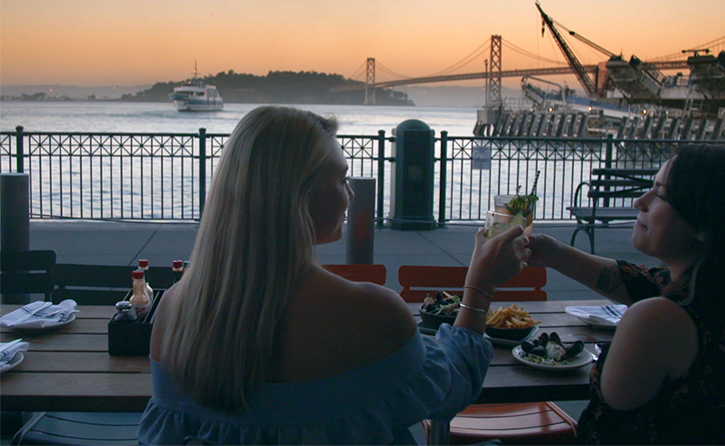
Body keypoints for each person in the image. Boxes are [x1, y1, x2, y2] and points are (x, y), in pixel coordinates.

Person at [138, 106, 530, 445]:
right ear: (299, 196)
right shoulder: (369, 310)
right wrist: (480, 286)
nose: (351, 194)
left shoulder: (172, 311)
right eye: (342, 179)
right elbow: (452, 387)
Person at [526, 144, 725, 444]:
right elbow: (637, 282)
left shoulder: (657, 320)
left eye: (660, 194)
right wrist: (552, 253)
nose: (640, 201)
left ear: (704, 224)